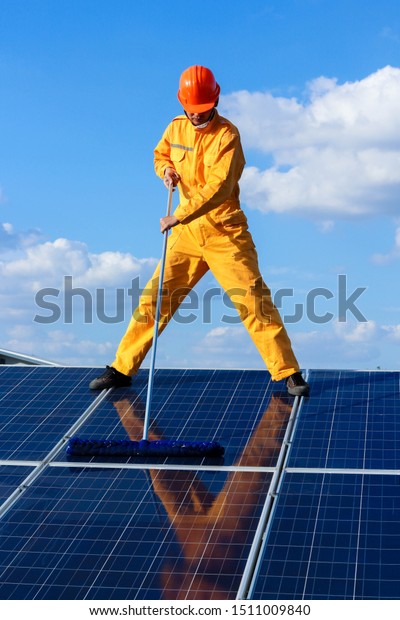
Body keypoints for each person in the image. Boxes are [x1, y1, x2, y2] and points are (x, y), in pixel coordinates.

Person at [89, 65, 309, 397]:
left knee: (253, 300)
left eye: (202, 111)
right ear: (182, 104)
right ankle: (121, 368)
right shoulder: (176, 128)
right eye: (190, 110)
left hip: (225, 232)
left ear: (215, 102)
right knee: (155, 299)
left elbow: (220, 188)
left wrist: (178, 214)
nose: (195, 116)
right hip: (187, 236)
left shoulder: (228, 136)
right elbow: (161, 154)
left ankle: (288, 372)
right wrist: (166, 170)